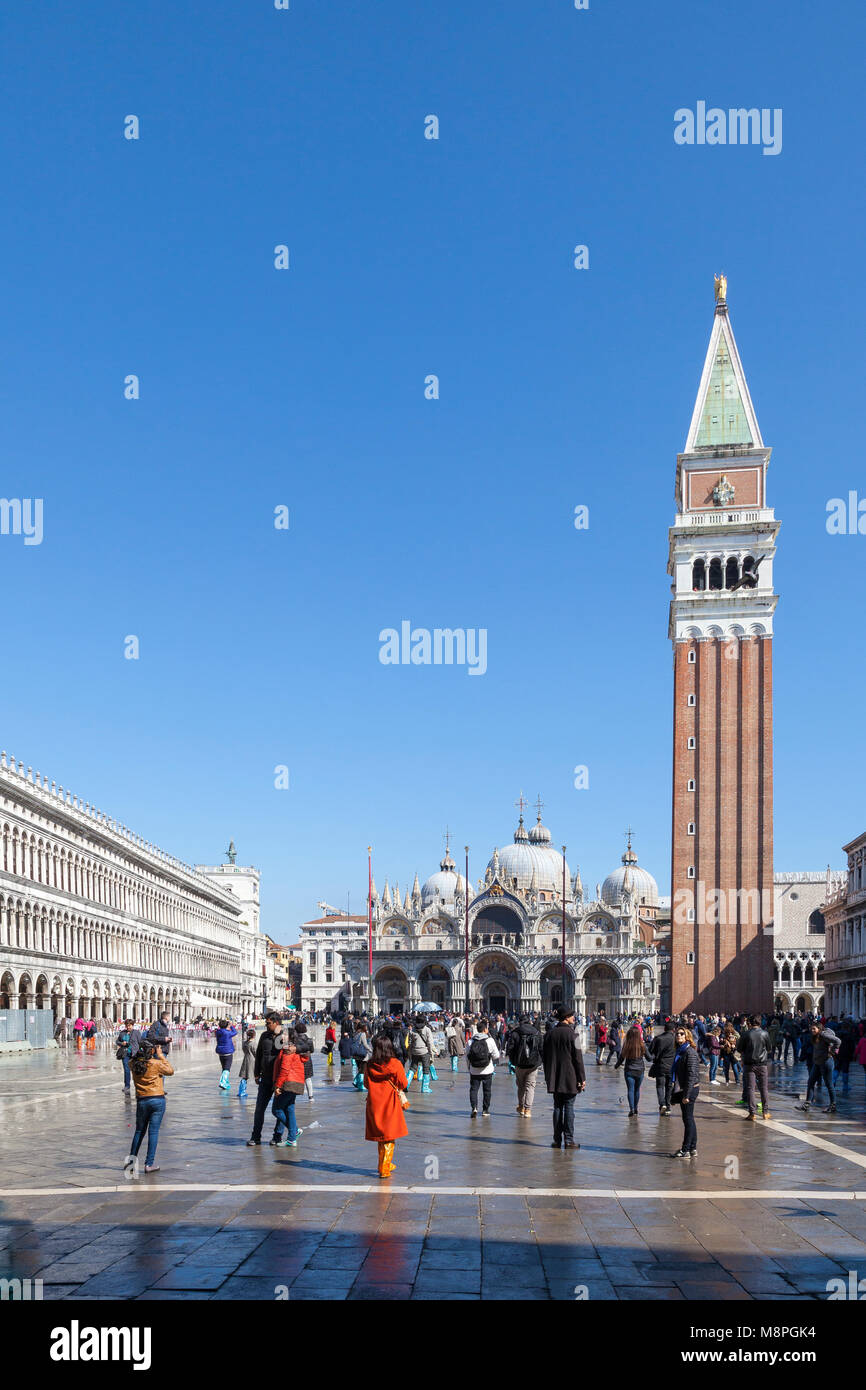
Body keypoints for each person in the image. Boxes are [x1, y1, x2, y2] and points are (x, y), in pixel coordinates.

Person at [124, 1040, 174, 1176]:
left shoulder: (133, 1064)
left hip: (142, 1100)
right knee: (153, 1132)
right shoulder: (156, 1064)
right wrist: (161, 1055)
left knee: (139, 1131)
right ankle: (149, 1164)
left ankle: (131, 1162)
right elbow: (170, 1071)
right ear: (151, 1051)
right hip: (157, 1099)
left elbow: (133, 1060)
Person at [542, 1006, 587, 1149]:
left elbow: (545, 1057)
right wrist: (582, 1078)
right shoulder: (574, 1036)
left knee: (557, 1107)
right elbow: (578, 1059)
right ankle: (569, 1140)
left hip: (554, 1077)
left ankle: (556, 1140)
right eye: (572, 1016)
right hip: (570, 1077)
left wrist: (548, 1074)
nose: (574, 1018)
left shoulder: (549, 1035)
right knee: (569, 1107)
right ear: (566, 1018)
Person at [365, 1034, 408, 1178]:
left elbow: (366, 1083)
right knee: (389, 1135)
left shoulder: (370, 1064)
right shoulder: (395, 1063)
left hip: (374, 1102)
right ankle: (384, 1167)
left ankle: (384, 1163)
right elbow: (403, 1083)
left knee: (381, 1136)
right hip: (390, 1101)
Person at [247, 1013, 284, 1146]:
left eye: (268, 1023)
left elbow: (280, 1048)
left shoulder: (286, 1035)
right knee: (259, 1108)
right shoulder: (264, 1036)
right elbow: (259, 1055)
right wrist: (256, 1073)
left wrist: (280, 1035)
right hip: (266, 1077)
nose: (266, 1025)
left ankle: (277, 1136)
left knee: (280, 1109)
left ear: (276, 1023)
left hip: (280, 1078)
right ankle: (256, 1136)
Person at [796, 1023, 840, 1113]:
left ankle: (833, 1106)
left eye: (814, 1029)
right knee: (810, 1082)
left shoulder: (824, 1035)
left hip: (826, 1062)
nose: (812, 1031)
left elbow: (838, 1041)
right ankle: (807, 1104)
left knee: (829, 1085)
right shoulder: (814, 1036)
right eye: (811, 1029)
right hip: (817, 1063)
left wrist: (832, 1050)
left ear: (819, 1029)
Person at [271, 1031, 306, 1147]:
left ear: (291, 1037)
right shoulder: (293, 1049)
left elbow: (285, 1070)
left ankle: (294, 1131)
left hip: (288, 1083)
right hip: (296, 1082)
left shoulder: (288, 1050)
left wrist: (278, 1085)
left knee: (276, 1109)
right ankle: (292, 1139)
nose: (282, 1036)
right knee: (289, 1109)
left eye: (285, 1034)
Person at [669, 1025, 700, 1158]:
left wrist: (686, 1095)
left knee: (688, 1119)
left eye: (681, 1034)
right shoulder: (681, 1051)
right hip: (685, 1088)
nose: (679, 1036)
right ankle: (692, 1148)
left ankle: (685, 1149)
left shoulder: (689, 1052)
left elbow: (692, 1075)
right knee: (689, 1119)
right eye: (677, 1034)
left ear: (687, 1036)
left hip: (690, 1089)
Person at [507, 1013, 543, 1118]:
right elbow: (541, 1048)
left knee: (521, 1086)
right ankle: (528, 1110)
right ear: (529, 1021)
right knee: (530, 1087)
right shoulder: (536, 1032)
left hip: (519, 1064)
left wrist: (513, 1061)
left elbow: (510, 1049)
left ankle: (521, 1107)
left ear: (519, 1022)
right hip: (533, 1064)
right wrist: (540, 1061)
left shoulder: (515, 1033)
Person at [737, 1014, 772, 1120]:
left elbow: (739, 1049)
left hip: (749, 1064)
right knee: (764, 1088)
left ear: (750, 1023)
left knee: (750, 1089)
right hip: (762, 1064)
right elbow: (769, 1048)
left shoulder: (745, 1034)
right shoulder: (765, 1033)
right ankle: (765, 1112)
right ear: (760, 1022)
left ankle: (752, 1113)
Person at [466, 1017, 499, 1118]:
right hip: (487, 1070)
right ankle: (485, 1110)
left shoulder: (470, 1041)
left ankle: (474, 1108)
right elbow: (496, 1055)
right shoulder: (490, 1041)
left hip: (474, 1070)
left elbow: (467, 1056)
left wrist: (469, 1068)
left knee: (474, 1090)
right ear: (485, 1030)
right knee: (487, 1090)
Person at [615, 1024, 650, 1116]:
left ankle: (632, 1109)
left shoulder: (626, 1045)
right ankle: (636, 1108)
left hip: (629, 1071)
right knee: (637, 1090)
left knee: (630, 1090)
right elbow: (649, 1058)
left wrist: (616, 1066)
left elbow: (621, 1058)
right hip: (640, 1071)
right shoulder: (642, 1045)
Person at [649, 1020, 676, 1114]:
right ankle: (668, 1107)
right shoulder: (676, 1039)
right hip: (672, 1066)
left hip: (660, 1065)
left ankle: (662, 1104)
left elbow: (650, 1051)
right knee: (669, 1086)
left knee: (660, 1086)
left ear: (664, 1029)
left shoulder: (658, 1038)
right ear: (674, 1030)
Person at [214, 1019, 238, 1091]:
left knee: (224, 1068)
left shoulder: (218, 1032)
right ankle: (223, 1082)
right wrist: (231, 1026)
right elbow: (235, 1032)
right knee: (227, 1068)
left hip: (220, 1052)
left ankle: (226, 1082)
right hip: (228, 1051)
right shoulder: (228, 1033)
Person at [294, 1021, 315, 1100]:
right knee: (308, 1078)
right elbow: (312, 1050)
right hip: (307, 1060)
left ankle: (293, 1097)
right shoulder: (309, 1040)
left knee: (295, 1078)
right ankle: (311, 1097)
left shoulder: (294, 1040)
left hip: (297, 1060)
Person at [352, 1025, 372, 1092]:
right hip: (362, 1055)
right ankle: (361, 1085)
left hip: (356, 1054)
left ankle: (356, 1081)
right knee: (363, 1069)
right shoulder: (362, 1034)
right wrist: (371, 1050)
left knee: (360, 1069)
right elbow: (365, 1044)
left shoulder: (356, 1034)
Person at [238, 1027, 256, 1099]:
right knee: (257, 1075)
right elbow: (256, 1053)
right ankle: (242, 1092)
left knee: (244, 1076)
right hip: (252, 1060)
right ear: (254, 1036)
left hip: (246, 1059)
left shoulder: (244, 1043)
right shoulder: (253, 1044)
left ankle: (241, 1091)